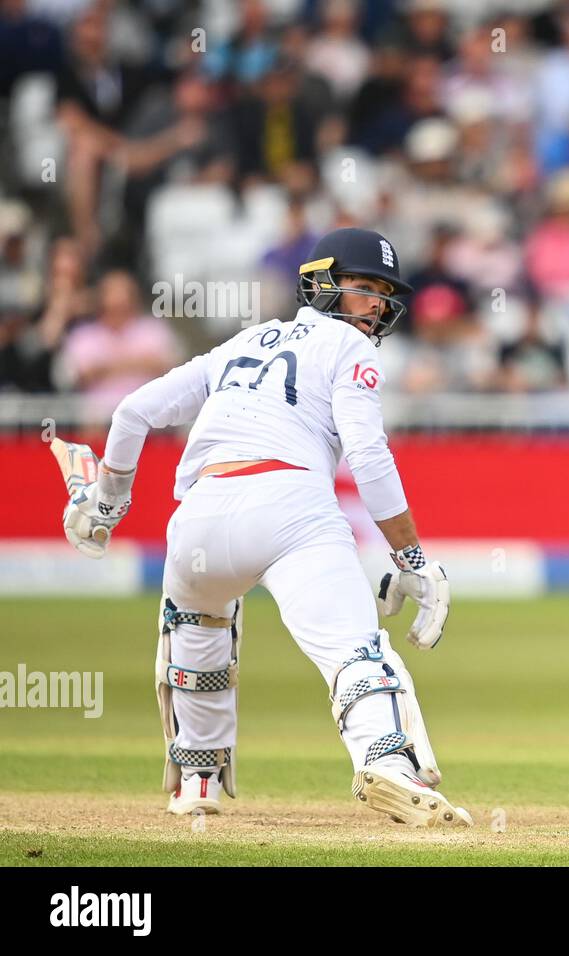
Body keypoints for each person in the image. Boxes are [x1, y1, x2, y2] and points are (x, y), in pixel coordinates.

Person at [59, 227, 472, 829]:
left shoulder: (240, 343)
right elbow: (369, 453)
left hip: (198, 516)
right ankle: (386, 761)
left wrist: (107, 504)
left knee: (197, 631)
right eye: (366, 288)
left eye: (385, 294)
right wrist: (410, 558)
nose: (379, 305)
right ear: (323, 283)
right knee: (352, 645)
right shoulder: (350, 347)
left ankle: (198, 779)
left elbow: (132, 413)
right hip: (290, 504)